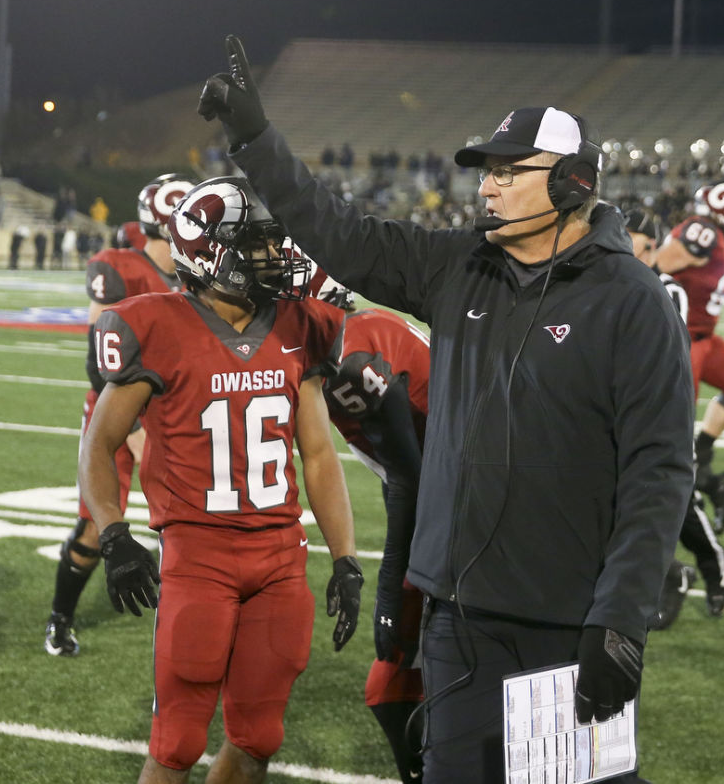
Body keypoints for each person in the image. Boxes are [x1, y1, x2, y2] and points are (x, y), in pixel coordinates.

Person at [198, 36, 694, 784]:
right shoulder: (459, 265)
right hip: (458, 613)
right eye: (485, 173)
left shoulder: (633, 301)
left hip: (563, 616)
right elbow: (343, 235)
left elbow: (659, 469)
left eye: (506, 172)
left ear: (570, 181)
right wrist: (254, 141)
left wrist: (620, 615)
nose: (486, 189)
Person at [80, 175, 361, 784]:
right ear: (211, 254)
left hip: (281, 554)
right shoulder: (152, 325)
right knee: (177, 741)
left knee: (260, 736)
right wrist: (112, 534)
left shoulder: (298, 323)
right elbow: (99, 443)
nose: (276, 256)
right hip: (198, 553)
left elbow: (317, 454)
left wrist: (345, 558)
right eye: (256, 245)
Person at [45, 173, 195, 657]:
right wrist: (130, 429)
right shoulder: (120, 269)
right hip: (119, 416)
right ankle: (59, 619)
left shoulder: (200, 275)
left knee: (193, 522)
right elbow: (97, 363)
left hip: (174, 414)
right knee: (96, 527)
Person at [312, 281, 433, 784]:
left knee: (403, 668)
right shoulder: (354, 340)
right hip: (440, 481)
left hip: (475, 492)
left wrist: (386, 590)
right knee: (395, 676)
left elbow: (408, 474)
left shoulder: (349, 363)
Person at [625, 208, 724, 624]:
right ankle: (673, 573)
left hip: (657, 415)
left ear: (651, 248)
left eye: (628, 239)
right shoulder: (609, 276)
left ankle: (709, 565)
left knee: (675, 500)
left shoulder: (667, 290)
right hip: (617, 416)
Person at [657, 181, 724, 532]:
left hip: (706, 338)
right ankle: (695, 494)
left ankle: (705, 458)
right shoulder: (702, 230)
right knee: (676, 427)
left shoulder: (711, 233)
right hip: (684, 339)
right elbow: (658, 262)